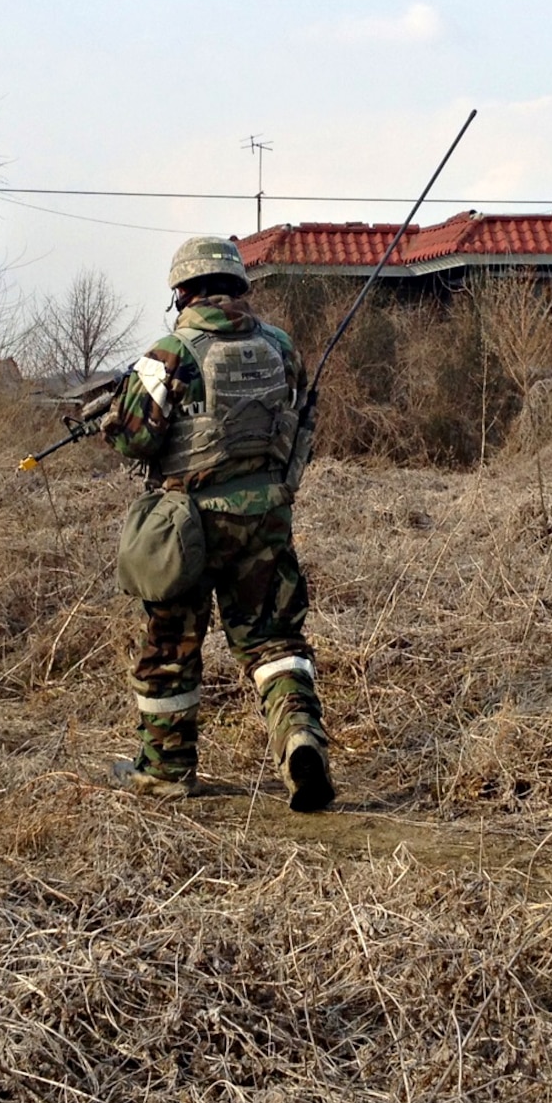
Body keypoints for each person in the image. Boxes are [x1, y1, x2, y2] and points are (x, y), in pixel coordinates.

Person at [101, 236, 335, 811]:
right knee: (274, 641)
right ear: (238, 287)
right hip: (265, 518)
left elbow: (134, 437)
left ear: (182, 291)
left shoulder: (169, 354)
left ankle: (165, 770)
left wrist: (112, 418)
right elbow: (297, 417)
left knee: (170, 646)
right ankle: (300, 739)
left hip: (186, 524)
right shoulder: (281, 347)